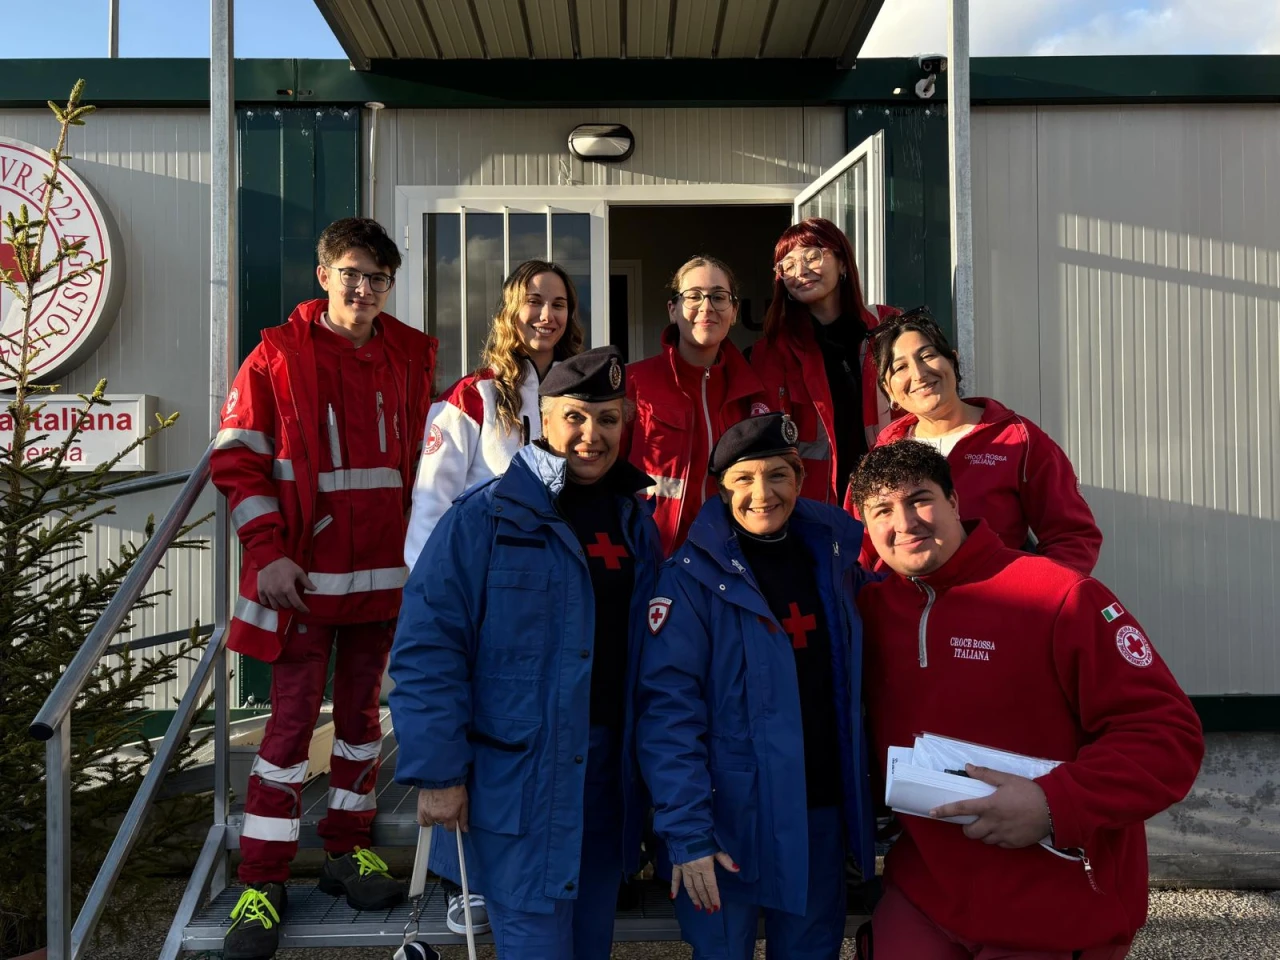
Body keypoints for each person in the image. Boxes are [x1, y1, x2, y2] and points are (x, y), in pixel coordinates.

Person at [850, 440, 1204, 960]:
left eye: (920, 499)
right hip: (926, 893)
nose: (904, 523)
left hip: (1053, 902)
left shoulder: (1060, 596)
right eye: (882, 510)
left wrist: (1054, 803)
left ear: (954, 501)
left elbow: (1167, 735)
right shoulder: (869, 610)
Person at [211, 217, 437, 960]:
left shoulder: (410, 355)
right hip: (302, 581)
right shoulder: (276, 356)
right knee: (288, 732)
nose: (363, 288)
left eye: (377, 278)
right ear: (324, 276)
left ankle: (347, 850)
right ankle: (261, 879)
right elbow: (236, 460)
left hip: (383, 580)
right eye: (351, 273)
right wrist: (267, 554)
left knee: (364, 722)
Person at [389, 346, 661, 960]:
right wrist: (438, 773)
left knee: (591, 946)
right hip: (519, 783)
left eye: (608, 419)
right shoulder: (485, 518)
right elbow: (429, 649)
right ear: (544, 418)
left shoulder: (633, 522)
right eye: (575, 417)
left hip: (605, 781)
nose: (592, 435)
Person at [637, 413, 876, 960]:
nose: (762, 494)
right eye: (744, 479)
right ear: (722, 490)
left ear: (800, 478)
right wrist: (689, 833)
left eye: (778, 475)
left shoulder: (834, 559)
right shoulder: (689, 580)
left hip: (818, 814)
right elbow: (668, 717)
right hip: (725, 825)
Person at [852, 308, 1102, 574]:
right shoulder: (885, 451)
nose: (919, 373)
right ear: (888, 390)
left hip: (996, 597)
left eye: (927, 356)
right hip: (910, 600)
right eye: (900, 367)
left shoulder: (1017, 439)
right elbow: (859, 547)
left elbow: (1072, 536)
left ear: (953, 362)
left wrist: (1036, 590)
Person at [403, 258, 584, 571]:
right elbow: (432, 505)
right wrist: (431, 585)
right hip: (486, 575)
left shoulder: (580, 397)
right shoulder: (470, 397)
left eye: (558, 304)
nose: (547, 315)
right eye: (534, 301)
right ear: (510, 309)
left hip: (563, 573)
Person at [626, 254, 771, 556]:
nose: (707, 307)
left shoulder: (754, 393)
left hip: (731, 560)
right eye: (693, 296)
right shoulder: (634, 382)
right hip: (651, 559)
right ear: (673, 310)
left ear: (734, 311)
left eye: (718, 297)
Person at [750, 217, 901, 506]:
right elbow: (768, 442)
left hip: (890, 493)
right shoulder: (772, 352)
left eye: (812, 256)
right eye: (788, 265)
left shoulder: (887, 326)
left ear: (843, 263)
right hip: (815, 505)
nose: (800, 271)